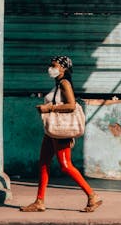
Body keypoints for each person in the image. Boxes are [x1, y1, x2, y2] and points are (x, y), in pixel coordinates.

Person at [20, 55, 103, 213]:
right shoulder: (58, 83)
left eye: (54, 65)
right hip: (52, 130)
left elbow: (71, 105)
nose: (51, 68)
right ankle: (39, 201)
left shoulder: (64, 83)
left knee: (65, 165)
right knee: (44, 163)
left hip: (62, 131)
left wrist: (49, 108)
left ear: (63, 68)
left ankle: (93, 196)